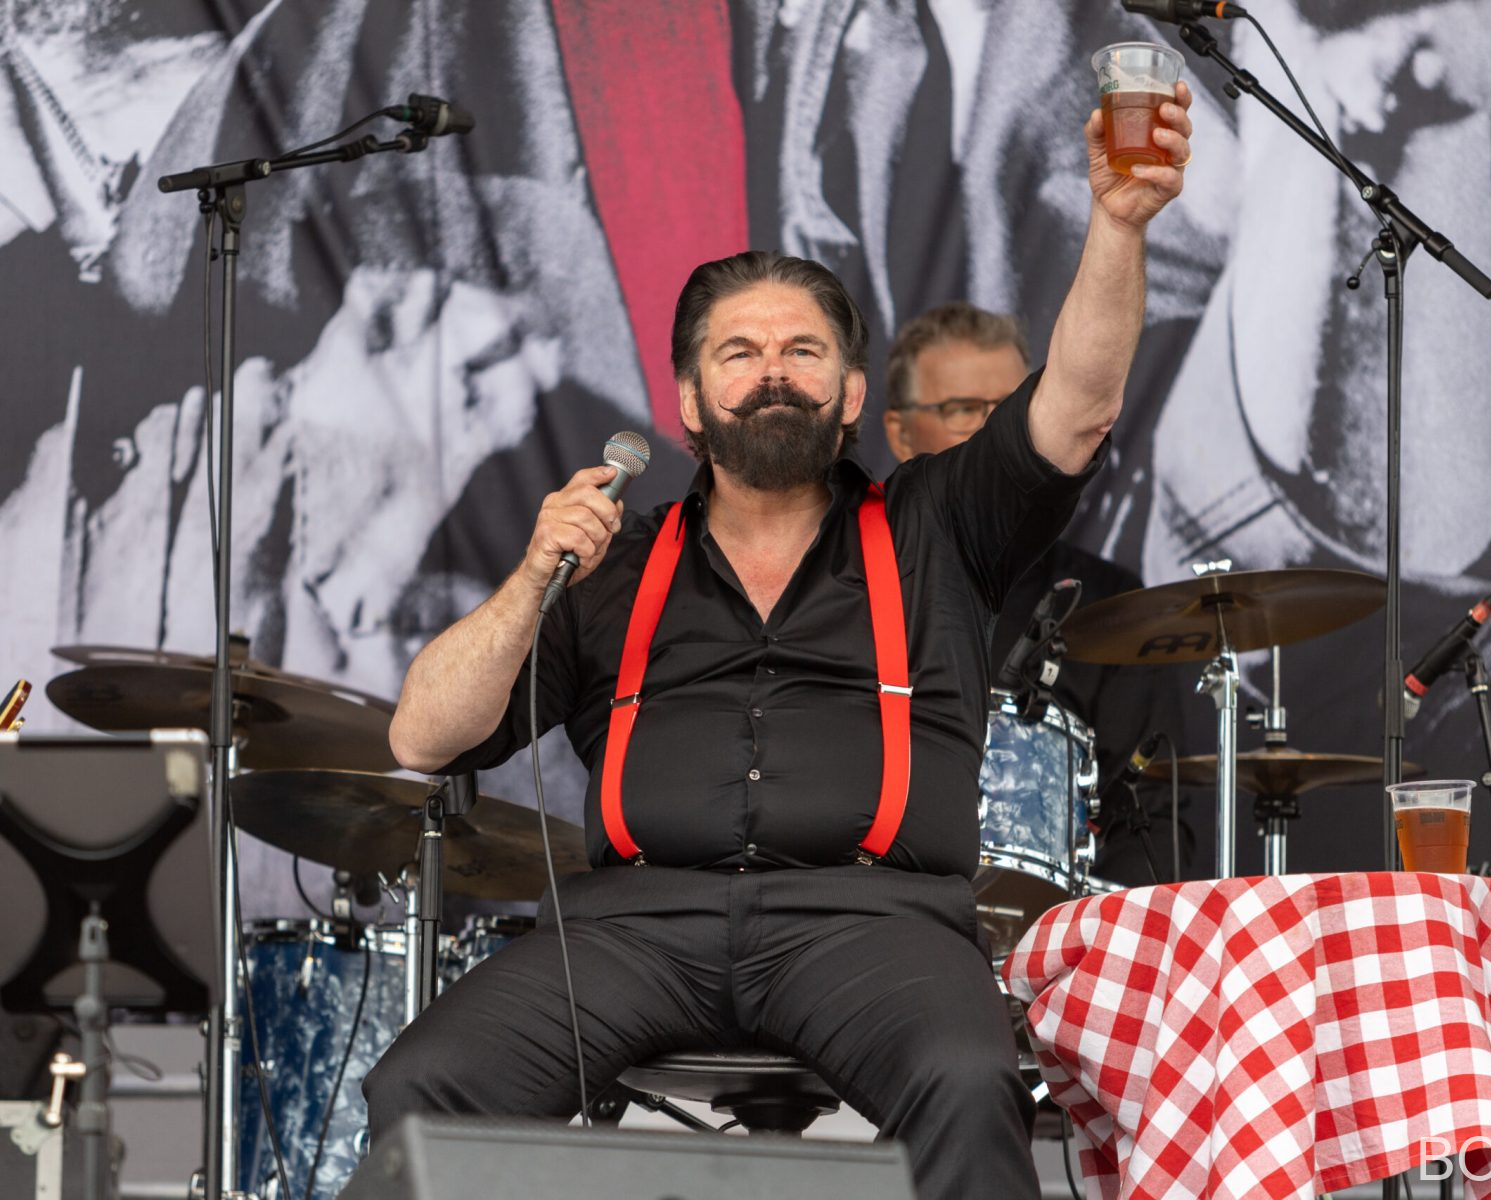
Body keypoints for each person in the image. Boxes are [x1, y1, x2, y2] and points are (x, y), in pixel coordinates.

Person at [362, 88, 1193, 1199]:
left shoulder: (939, 525)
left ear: (850, 395)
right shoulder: (612, 562)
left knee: (967, 1081)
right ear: (689, 400)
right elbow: (421, 738)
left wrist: (1119, 224)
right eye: (739, 351)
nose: (772, 371)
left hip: (872, 922)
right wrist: (533, 576)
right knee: (423, 1081)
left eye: (804, 350)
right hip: (631, 926)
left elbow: (1077, 406)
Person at [882, 301, 1197, 885]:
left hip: (1054, 923)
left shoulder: (1111, 604)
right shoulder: (854, 580)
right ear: (899, 433)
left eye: (1009, 410)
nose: (991, 432)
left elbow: (1150, 815)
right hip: (878, 909)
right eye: (961, 409)